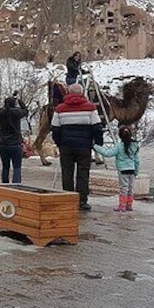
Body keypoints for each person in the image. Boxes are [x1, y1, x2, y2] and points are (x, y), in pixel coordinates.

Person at [51, 83, 104, 211]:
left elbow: (55, 128)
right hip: (84, 146)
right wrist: (98, 142)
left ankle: (68, 199)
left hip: (66, 146)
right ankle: (82, 201)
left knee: (67, 172)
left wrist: (59, 142)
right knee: (83, 173)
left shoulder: (59, 109)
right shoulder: (90, 108)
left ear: (68, 93)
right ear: (81, 93)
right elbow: (97, 127)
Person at [93, 126, 141, 212]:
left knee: (123, 188)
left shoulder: (119, 146)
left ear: (120, 135)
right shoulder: (135, 146)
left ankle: (122, 206)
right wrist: (136, 171)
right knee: (130, 188)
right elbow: (137, 160)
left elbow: (107, 153)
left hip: (123, 170)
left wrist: (96, 147)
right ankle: (129, 205)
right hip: (132, 169)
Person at [0, 97, 26, 183]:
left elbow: (4, 109)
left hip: (3, 144)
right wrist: (20, 101)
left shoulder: (1, 112)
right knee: (17, 167)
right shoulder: (16, 113)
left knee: (5, 167)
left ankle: (5, 185)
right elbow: (25, 111)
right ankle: (16, 186)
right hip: (15, 144)